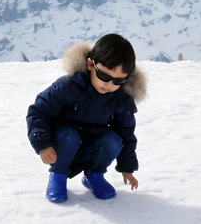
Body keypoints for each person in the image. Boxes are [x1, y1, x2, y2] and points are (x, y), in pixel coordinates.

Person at [26, 34, 146, 203]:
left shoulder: (120, 98)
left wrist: (127, 167)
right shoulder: (68, 86)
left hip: (93, 145)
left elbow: (125, 132)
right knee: (68, 135)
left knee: (114, 140)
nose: (109, 85)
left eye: (118, 81)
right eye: (104, 76)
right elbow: (39, 112)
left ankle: (93, 175)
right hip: (63, 145)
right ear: (90, 64)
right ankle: (58, 175)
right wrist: (42, 144)